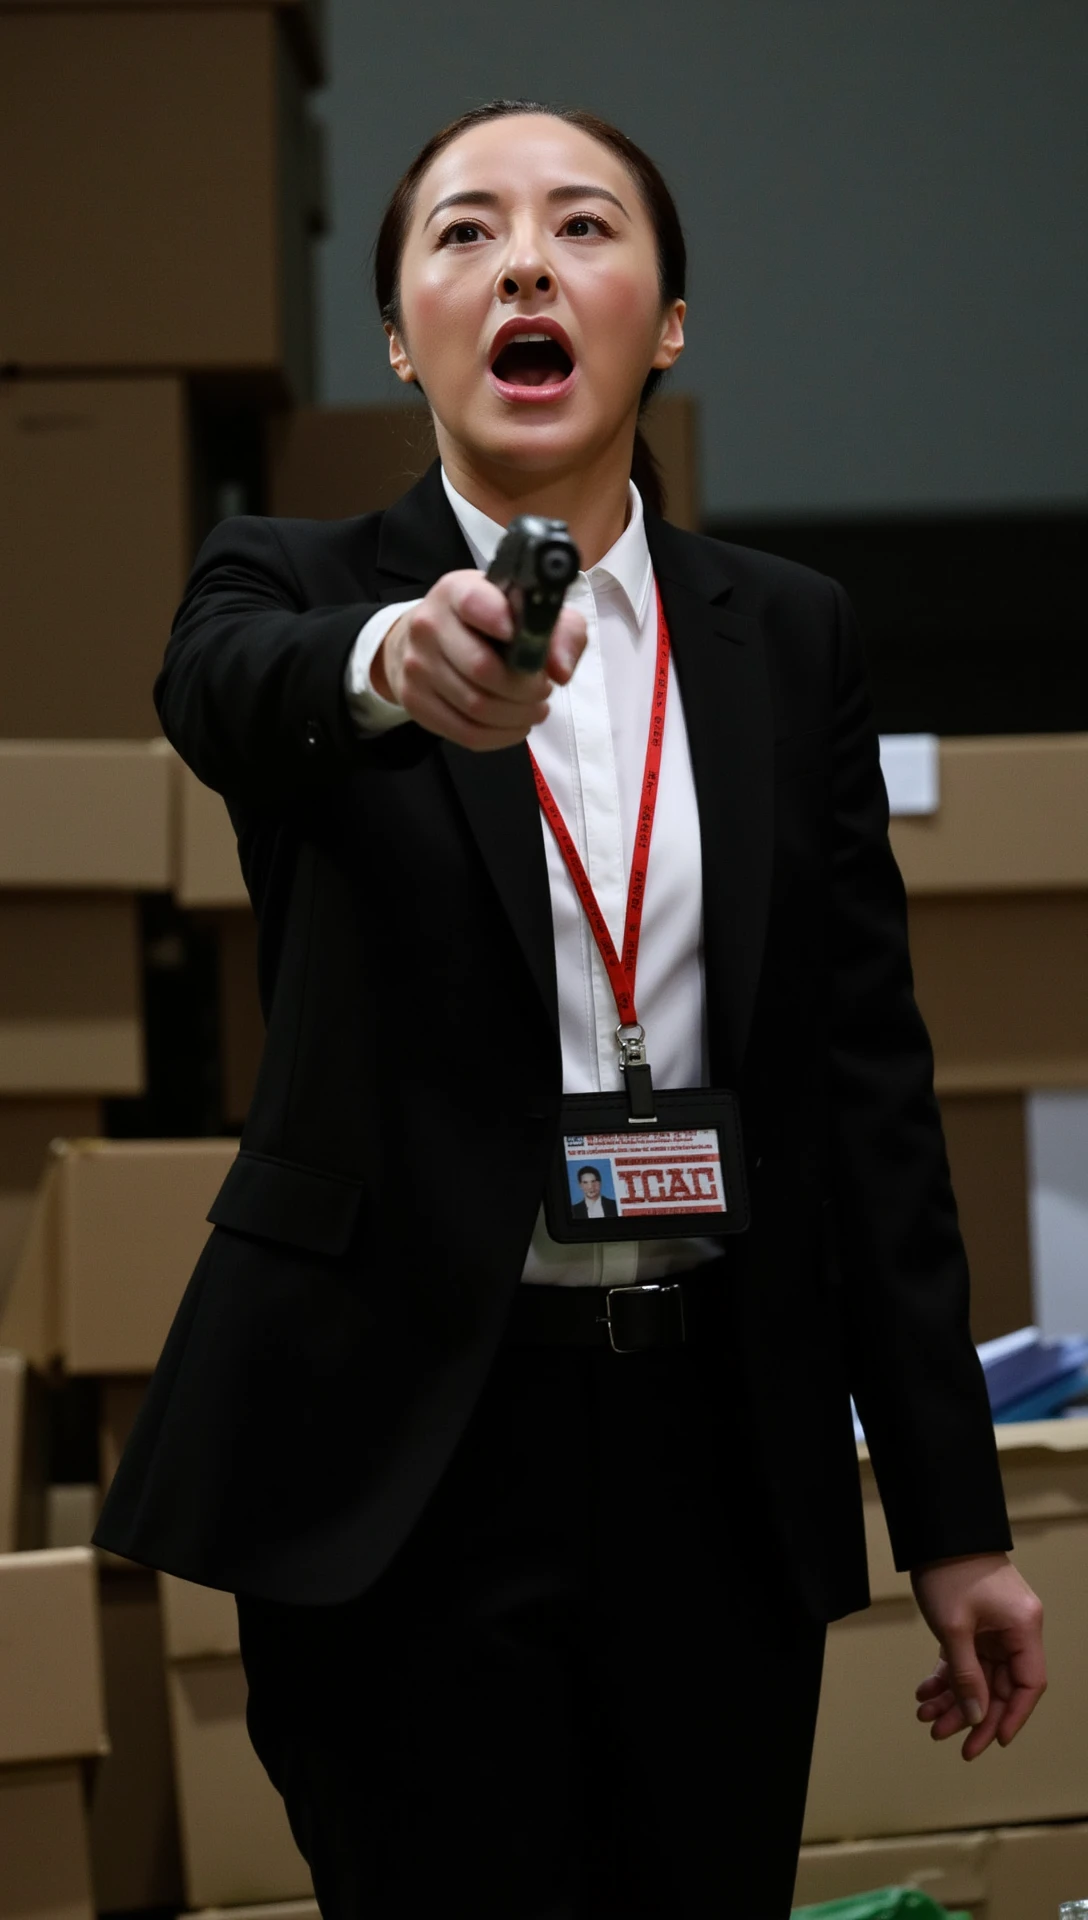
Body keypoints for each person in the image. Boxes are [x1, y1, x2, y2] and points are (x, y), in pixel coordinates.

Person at [94, 98, 1046, 1919]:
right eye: (462, 233)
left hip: (713, 1444)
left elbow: (866, 1097)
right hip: (410, 1455)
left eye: (583, 224)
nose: (522, 257)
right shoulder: (289, 587)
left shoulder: (789, 633)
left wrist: (953, 1516)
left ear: (666, 321)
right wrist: (396, 662)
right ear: (398, 334)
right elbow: (224, 691)